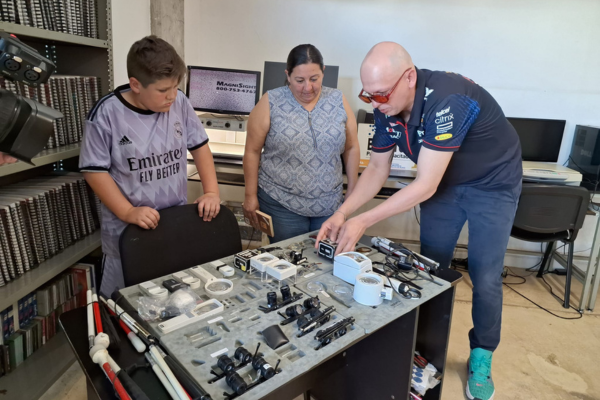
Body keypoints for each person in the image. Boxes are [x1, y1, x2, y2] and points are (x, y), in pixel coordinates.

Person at [316, 42, 522, 400]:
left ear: (409, 77)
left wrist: (364, 221)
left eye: (382, 95)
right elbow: (377, 169)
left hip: (492, 184)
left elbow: (425, 184)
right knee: (430, 268)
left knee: (485, 274)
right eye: (370, 96)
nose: (377, 103)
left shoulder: (448, 98)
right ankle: (424, 348)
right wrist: (342, 212)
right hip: (443, 183)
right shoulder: (386, 106)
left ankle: (482, 354)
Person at [79, 36, 221, 297]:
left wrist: (211, 191)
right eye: (162, 90)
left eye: (176, 87)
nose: (171, 96)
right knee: (122, 305)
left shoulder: (180, 103)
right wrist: (128, 211)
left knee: (173, 299)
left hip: (172, 225)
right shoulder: (106, 113)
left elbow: (200, 147)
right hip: (127, 234)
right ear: (136, 85)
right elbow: (93, 170)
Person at [243, 44, 360, 243]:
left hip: (330, 205)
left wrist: (352, 190)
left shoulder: (338, 99)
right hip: (281, 203)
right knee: (287, 261)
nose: (308, 87)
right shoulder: (271, 101)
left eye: (314, 79)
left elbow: (351, 147)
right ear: (288, 75)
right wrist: (250, 195)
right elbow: (252, 151)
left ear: (323, 72)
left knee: (326, 261)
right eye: (299, 80)